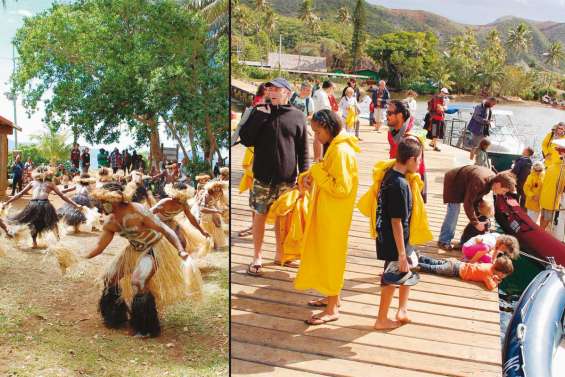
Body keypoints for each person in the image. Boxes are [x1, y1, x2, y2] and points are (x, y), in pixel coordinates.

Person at [85, 182, 194, 337]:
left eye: (104, 203)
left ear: (113, 201)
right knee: (110, 278)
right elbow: (99, 247)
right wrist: (80, 258)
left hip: (154, 247)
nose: (101, 207)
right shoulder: (111, 222)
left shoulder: (138, 211)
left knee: (139, 281)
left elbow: (166, 230)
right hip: (134, 250)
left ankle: (146, 327)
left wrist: (181, 250)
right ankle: (115, 317)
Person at [294, 110, 360, 325]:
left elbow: (342, 188)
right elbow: (328, 174)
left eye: (318, 131)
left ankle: (332, 309)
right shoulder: (336, 147)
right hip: (329, 212)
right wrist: (311, 175)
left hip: (334, 215)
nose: (317, 137)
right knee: (326, 255)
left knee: (332, 258)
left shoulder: (341, 151)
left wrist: (317, 171)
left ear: (328, 127)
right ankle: (333, 298)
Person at [239, 77, 309, 276]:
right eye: (270, 89)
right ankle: (257, 256)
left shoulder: (297, 116)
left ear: (287, 93)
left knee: (283, 218)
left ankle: (281, 254)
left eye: (277, 89)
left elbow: (303, 149)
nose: (272, 92)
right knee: (259, 216)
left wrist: (304, 176)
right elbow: (246, 139)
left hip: (287, 178)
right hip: (261, 177)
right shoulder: (259, 112)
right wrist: (259, 116)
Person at [374, 138, 424, 330]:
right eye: (418, 160)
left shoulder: (389, 174)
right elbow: (396, 221)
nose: (419, 165)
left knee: (407, 271)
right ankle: (381, 319)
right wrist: (401, 253)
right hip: (395, 240)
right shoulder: (399, 185)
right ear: (410, 160)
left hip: (398, 237)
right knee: (391, 276)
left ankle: (402, 310)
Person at [438, 166, 516, 251]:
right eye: (504, 190)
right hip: (454, 181)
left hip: (465, 183)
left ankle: (463, 241)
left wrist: (479, 216)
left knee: (473, 212)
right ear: (498, 184)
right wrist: (476, 223)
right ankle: (443, 241)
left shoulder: (491, 181)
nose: (502, 193)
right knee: (454, 211)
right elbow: (468, 203)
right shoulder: (480, 181)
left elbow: (476, 198)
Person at [1, 167, 81, 249]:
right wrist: (7, 202)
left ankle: (58, 240)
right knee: (33, 223)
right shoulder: (33, 182)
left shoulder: (50, 184)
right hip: (33, 205)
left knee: (52, 222)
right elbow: (20, 193)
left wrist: (75, 204)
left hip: (45, 205)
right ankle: (34, 243)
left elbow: (62, 195)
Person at [386, 100, 428, 202]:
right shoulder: (392, 131)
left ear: (400, 116)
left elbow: (414, 166)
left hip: (413, 179)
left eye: (389, 113)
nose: (386, 115)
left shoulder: (411, 137)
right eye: (387, 112)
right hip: (397, 174)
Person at [151, 182, 209, 251]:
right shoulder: (165, 202)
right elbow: (148, 212)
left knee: (182, 243)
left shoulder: (184, 204)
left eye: (184, 197)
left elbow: (191, 218)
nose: (183, 199)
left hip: (170, 222)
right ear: (174, 195)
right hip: (157, 223)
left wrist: (202, 231)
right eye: (181, 196)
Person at [417, 254, 514, 291]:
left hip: (457, 264)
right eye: (504, 275)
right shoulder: (488, 274)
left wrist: (494, 278)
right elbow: (491, 286)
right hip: (454, 270)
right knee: (433, 268)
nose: (503, 277)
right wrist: (497, 282)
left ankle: (421, 257)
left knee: (436, 262)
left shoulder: (489, 266)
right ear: (500, 273)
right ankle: (417, 266)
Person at [539, 123, 565, 230]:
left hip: (555, 164)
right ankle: (543, 228)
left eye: (563, 129)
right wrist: (546, 153)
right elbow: (544, 144)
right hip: (550, 163)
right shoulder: (550, 135)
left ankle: (547, 224)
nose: (561, 130)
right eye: (559, 128)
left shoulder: (563, 139)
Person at [198, 181, 228, 250]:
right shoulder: (207, 195)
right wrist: (216, 211)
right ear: (211, 188)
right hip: (206, 215)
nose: (217, 189)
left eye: (219, 188)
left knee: (217, 228)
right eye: (215, 187)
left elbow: (216, 203)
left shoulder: (220, 193)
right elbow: (202, 209)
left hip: (214, 213)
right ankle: (207, 246)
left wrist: (222, 210)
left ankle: (215, 246)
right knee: (209, 229)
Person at [312, 81, 335, 162]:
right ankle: (318, 158)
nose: (333, 91)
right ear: (330, 88)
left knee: (316, 138)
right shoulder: (323, 95)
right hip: (321, 118)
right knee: (320, 139)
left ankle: (316, 157)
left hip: (315, 117)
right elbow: (326, 109)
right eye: (333, 89)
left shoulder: (317, 92)